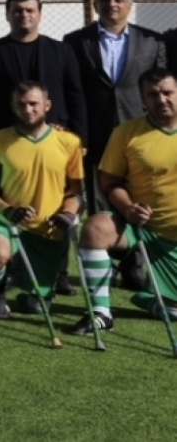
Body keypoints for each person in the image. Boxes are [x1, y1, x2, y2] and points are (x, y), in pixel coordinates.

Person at [64, 0, 166, 290]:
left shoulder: (152, 41)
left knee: (138, 195)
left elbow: (160, 84)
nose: (112, 4)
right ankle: (102, 263)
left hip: (140, 130)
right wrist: (77, 132)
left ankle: (135, 265)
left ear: (129, 5)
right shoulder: (75, 41)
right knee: (99, 194)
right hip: (95, 131)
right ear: (95, 5)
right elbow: (73, 89)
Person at [73, 68, 177, 336]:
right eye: (153, 94)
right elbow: (110, 182)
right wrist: (129, 208)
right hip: (145, 231)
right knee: (96, 227)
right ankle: (100, 313)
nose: (162, 99)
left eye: (168, 92)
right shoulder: (126, 133)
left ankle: (157, 303)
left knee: (175, 309)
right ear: (143, 98)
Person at [0, 82, 84, 320]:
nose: (28, 109)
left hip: (48, 229)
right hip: (8, 221)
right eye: (22, 104)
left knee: (36, 305)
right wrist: (8, 211)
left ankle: (33, 291)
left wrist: (67, 213)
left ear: (47, 105)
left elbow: (76, 191)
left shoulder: (69, 142)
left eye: (34, 104)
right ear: (13, 106)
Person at [0, 0, 87, 139]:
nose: (24, 15)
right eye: (18, 10)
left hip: (56, 132)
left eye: (30, 10)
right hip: (7, 135)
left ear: (39, 15)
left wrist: (81, 137)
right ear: (7, 15)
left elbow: (75, 95)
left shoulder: (62, 51)